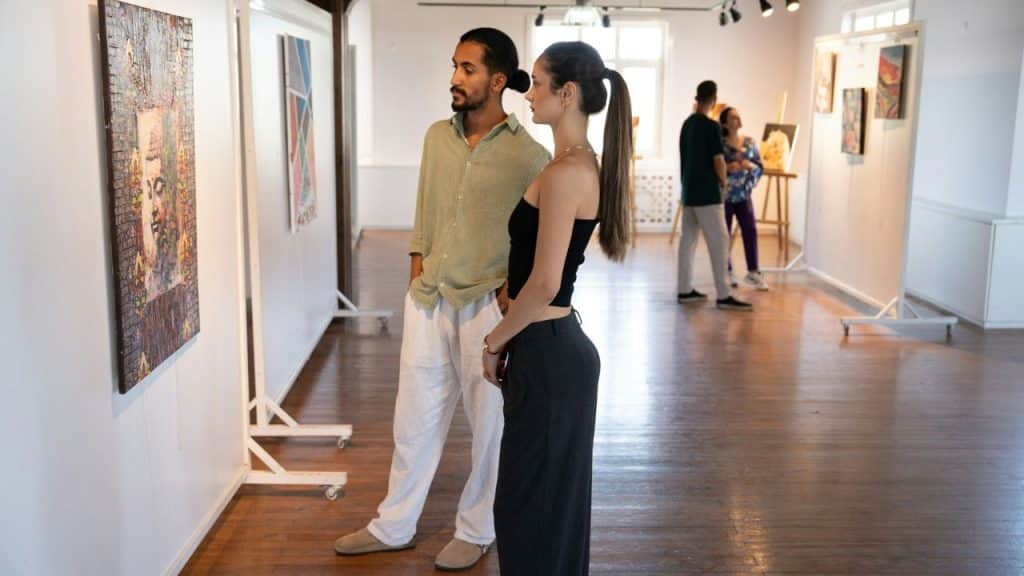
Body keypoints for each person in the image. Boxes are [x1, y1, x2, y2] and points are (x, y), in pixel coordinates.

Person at [333, 28, 550, 572]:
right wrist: (415, 269)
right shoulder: (436, 137)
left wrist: (510, 292)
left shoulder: (531, 156)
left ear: (498, 81)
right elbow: (424, 209)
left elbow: (540, 234)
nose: (455, 78)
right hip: (429, 298)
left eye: (468, 69)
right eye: (454, 66)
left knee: (490, 428)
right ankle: (394, 525)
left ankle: (477, 530)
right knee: (414, 419)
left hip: (487, 306)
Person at [480, 41, 631, 576]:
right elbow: (542, 274)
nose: (528, 94)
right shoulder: (571, 165)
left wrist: (494, 340)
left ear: (567, 94)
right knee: (540, 508)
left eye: (538, 84)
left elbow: (545, 284)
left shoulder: (568, 173)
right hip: (550, 352)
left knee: (532, 509)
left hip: (547, 354)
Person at [676, 80, 752, 311]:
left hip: (689, 192)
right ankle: (724, 294)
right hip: (708, 194)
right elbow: (718, 161)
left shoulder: (686, 125)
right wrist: (724, 182)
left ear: (697, 98)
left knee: (687, 242)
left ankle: (684, 289)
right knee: (720, 243)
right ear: (714, 99)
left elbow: (684, 160)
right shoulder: (711, 127)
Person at [720, 106, 769, 291]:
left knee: (750, 230)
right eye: (733, 117)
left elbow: (759, 166)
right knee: (724, 235)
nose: (737, 119)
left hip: (743, 195)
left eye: (738, 116)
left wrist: (750, 167)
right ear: (725, 123)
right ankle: (727, 270)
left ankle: (753, 272)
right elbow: (714, 167)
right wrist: (728, 168)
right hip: (724, 196)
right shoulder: (720, 143)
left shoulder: (749, 142)